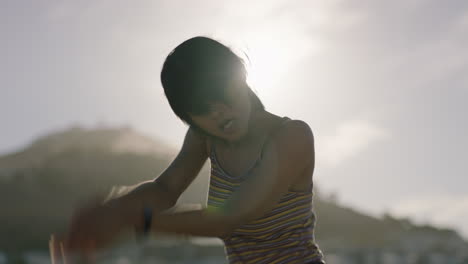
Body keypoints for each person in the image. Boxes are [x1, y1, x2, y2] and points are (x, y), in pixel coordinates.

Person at [63, 36, 326, 264]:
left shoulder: (292, 136)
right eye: (201, 108)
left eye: (219, 92)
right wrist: (110, 209)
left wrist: (130, 218)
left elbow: (231, 217)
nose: (216, 111)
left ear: (239, 76)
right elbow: (165, 189)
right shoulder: (205, 137)